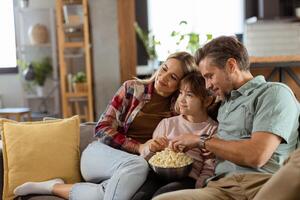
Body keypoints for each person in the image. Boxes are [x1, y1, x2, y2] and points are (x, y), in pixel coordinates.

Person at [13, 52, 197, 200]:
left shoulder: (178, 110)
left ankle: (52, 187)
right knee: (139, 164)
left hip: (131, 170)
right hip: (100, 155)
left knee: (105, 193)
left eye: (172, 77)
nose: (163, 77)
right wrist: (139, 147)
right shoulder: (132, 89)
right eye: (163, 68)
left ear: (180, 84)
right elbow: (102, 128)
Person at [153, 36, 300, 200]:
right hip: (220, 188)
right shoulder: (224, 105)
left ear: (231, 65)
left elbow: (256, 156)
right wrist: (213, 150)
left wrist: (201, 140)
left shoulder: (274, 93)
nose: (207, 85)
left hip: (262, 185)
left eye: (210, 76)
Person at [139, 72, 218, 198]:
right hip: (158, 174)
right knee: (140, 196)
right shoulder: (167, 124)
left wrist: (199, 189)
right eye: (181, 93)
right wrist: (151, 149)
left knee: (161, 196)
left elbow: (210, 167)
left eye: (189, 95)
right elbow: (147, 159)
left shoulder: (212, 130)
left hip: (188, 179)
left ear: (207, 101)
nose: (181, 99)